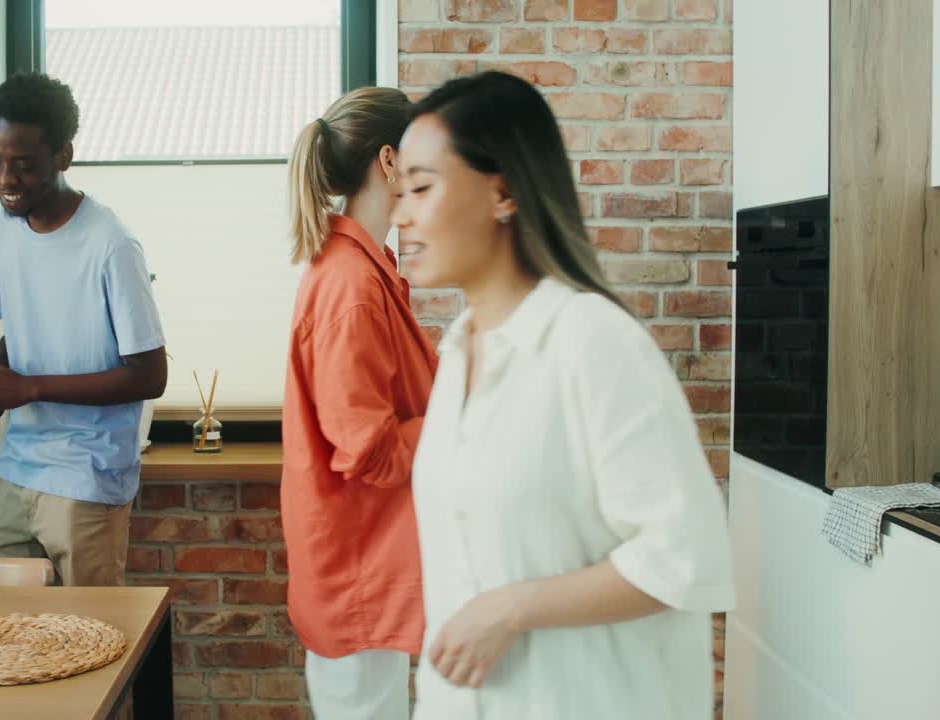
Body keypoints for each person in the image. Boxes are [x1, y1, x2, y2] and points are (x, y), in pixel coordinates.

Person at [392, 71, 736, 719]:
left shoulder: (592, 342)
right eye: (398, 192)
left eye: (421, 187)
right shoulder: (459, 346)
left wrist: (510, 608)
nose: (401, 214)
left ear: (503, 191)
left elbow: (680, 553)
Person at [0, 73, 166, 587]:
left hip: (87, 477)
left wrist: (28, 388)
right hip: (19, 467)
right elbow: (22, 327)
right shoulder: (2, 231)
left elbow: (149, 375)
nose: (6, 179)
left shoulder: (111, 243)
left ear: (64, 156)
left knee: (91, 644)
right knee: (8, 639)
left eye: (24, 165)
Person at [281, 87, 438, 719]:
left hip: (371, 562)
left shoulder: (366, 271)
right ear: (390, 160)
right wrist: (455, 412)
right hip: (360, 575)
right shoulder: (350, 286)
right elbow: (370, 451)